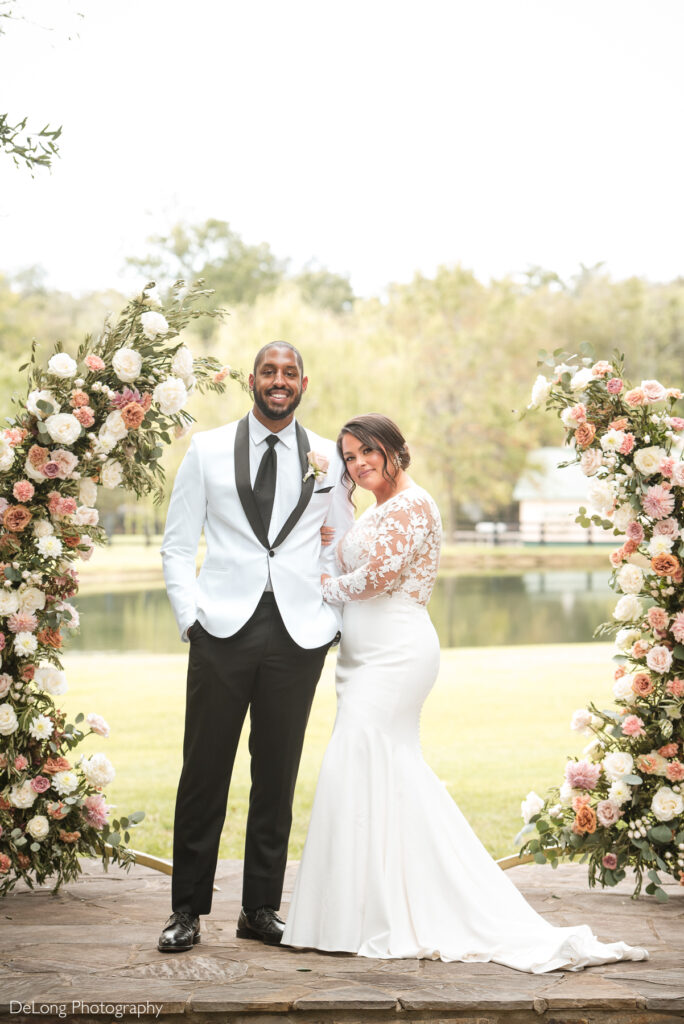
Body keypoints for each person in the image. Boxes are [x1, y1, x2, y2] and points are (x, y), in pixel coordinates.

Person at [282, 413, 648, 973]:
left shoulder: (415, 504)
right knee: (373, 769)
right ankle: (358, 910)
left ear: (393, 449)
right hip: (361, 658)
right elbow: (362, 566)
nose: (358, 465)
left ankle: (399, 906)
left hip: (397, 653)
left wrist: (325, 583)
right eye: (350, 457)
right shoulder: (379, 509)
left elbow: (377, 580)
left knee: (363, 759)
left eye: (366, 452)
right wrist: (334, 547)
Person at [158, 342, 354, 953]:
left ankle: (260, 908)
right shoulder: (208, 450)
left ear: (303, 382)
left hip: (297, 636)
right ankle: (186, 910)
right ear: (252, 381)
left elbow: (337, 544)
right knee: (205, 771)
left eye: (289, 373)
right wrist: (191, 618)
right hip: (221, 630)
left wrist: (330, 620)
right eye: (269, 371)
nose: (278, 381)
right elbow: (176, 542)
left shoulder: (328, 458)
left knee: (277, 774)